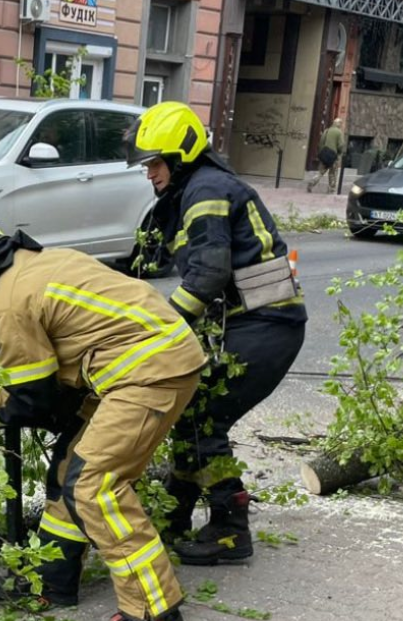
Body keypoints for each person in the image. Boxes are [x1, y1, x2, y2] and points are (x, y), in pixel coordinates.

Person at [0, 215, 206, 621]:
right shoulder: (36, 264)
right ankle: (52, 580)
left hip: (147, 372)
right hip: (138, 364)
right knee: (67, 471)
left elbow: (30, 399)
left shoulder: (7, 303)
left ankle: (153, 608)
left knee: (95, 486)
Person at [125, 102, 306, 566]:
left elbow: (207, 274)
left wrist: (159, 334)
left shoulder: (205, 190)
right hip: (254, 321)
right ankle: (176, 514)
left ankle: (229, 525)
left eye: (156, 163)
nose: (150, 174)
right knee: (191, 415)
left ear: (181, 157)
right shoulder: (198, 187)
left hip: (267, 324)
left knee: (203, 418)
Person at [309, 117, 346, 193]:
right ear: (339, 124)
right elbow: (341, 145)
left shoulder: (326, 131)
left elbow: (321, 143)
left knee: (320, 172)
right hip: (333, 156)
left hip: (325, 155)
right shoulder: (339, 132)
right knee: (333, 174)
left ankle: (312, 182)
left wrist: (322, 154)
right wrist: (340, 153)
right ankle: (331, 190)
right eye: (341, 124)